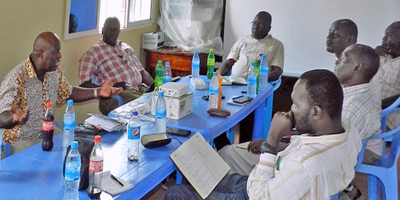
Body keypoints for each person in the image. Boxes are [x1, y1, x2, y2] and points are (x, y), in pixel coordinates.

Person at [165, 69, 361, 200]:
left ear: (317, 112)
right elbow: (308, 147)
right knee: (208, 174)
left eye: (295, 105)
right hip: (266, 181)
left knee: (176, 193)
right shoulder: (347, 128)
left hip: (258, 192)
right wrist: (282, 144)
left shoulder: (305, 165)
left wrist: (272, 141)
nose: (290, 110)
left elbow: (259, 196)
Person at [0, 32, 123, 154]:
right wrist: (13, 118)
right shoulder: (16, 78)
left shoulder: (53, 72)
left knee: (75, 149)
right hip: (20, 140)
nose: (59, 56)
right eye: (55, 52)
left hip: (47, 132)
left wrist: (98, 91)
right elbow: (2, 115)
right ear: (41, 54)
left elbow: (68, 93)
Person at [78, 17, 154, 115]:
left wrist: (156, 87)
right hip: (122, 92)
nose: (113, 32)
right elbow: (83, 84)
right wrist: (109, 88)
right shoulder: (93, 53)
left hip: (140, 88)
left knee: (162, 99)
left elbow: (142, 72)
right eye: (109, 29)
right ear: (102, 30)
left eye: (115, 30)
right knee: (150, 107)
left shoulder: (126, 47)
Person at [219, 11, 284, 82]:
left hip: (256, 86)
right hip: (234, 82)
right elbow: (228, 63)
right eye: (254, 23)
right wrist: (216, 76)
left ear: (269, 28)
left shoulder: (276, 45)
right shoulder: (243, 40)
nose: (255, 26)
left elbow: (277, 72)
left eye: (261, 24)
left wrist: (259, 80)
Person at [375, 21, 400, 130]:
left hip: (387, 115)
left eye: (388, 35)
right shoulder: (382, 57)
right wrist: (373, 54)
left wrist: (378, 105)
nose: (383, 39)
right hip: (368, 111)